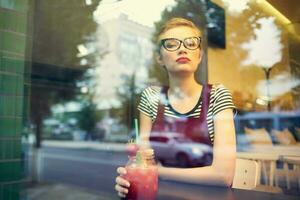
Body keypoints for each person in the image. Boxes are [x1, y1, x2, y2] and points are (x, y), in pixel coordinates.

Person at [115, 17, 236, 198]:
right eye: (171, 44)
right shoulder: (152, 98)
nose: (182, 48)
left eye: (191, 43)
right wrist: (128, 180)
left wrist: (158, 172)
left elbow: (223, 176)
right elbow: (143, 161)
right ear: (160, 58)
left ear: (199, 55)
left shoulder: (217, 95)